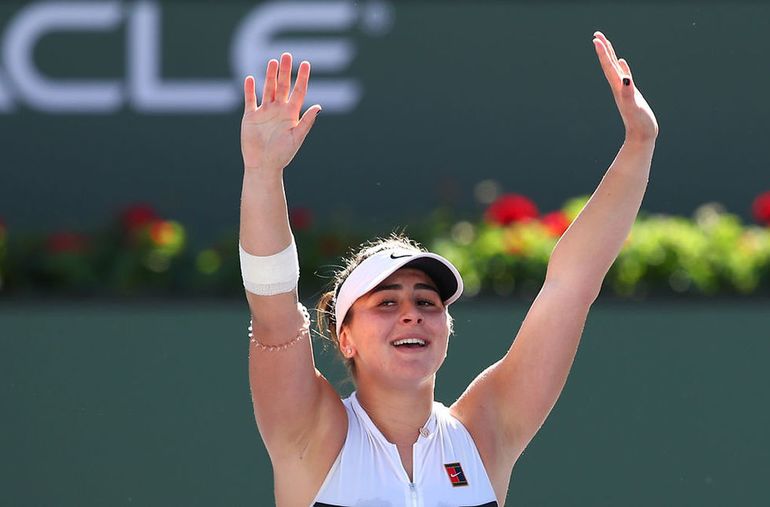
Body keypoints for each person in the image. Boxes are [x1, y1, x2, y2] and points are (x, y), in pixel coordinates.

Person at [238, 31, 658, 507]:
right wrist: (263, 174)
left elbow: (572, 284)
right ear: (345, 337)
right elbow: (273, 307)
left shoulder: (483, 433)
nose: (412, 314)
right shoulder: (311, 434)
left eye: (426, 301)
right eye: (386, 302)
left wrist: (639, 144)